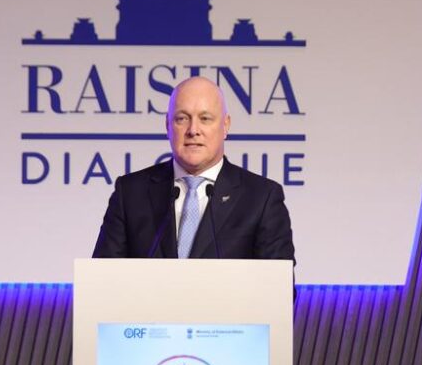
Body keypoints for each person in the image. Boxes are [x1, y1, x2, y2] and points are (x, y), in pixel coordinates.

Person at [92, 76, 295, 262]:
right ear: (167, 125)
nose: (193, 130)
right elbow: (101, 278)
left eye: (205, 118)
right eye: (182, 118)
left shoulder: (261, 198)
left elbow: (279, 285)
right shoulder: (130, 193)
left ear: (225, 125)